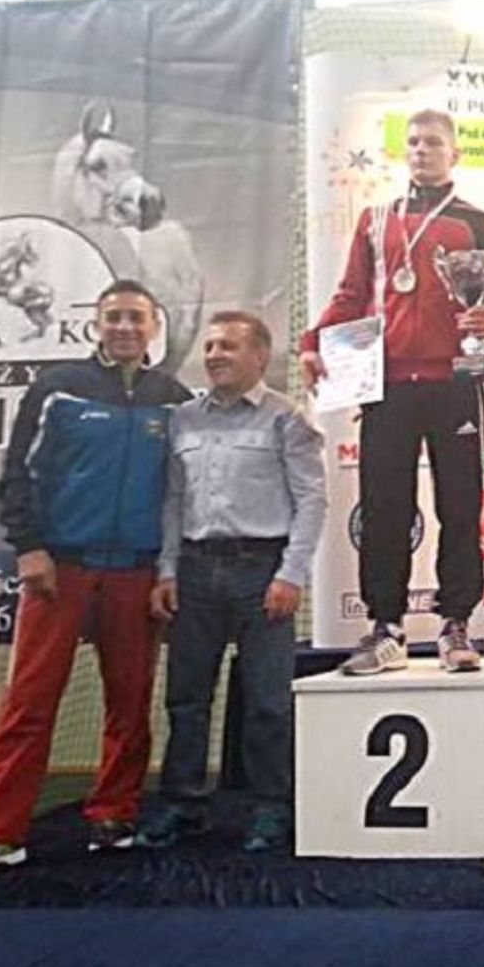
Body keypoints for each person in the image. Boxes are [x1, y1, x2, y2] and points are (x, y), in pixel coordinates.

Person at [301, 108, 484, 676]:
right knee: (384, 508)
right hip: (388, 384)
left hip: (455, 381)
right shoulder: (376, 220)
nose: (422, 150)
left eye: (433, 143)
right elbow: (351, 295)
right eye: (415, 142)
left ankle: (457, 625)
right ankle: (386, 627)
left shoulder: (479, 223)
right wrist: (312, 342)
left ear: (455, 154)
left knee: (460, 506)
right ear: (405, 153)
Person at [0, 280, 190, 875]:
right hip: (61, 568)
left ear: (154, 327)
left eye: (136, 318)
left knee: (130, 701)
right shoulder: (58, 389)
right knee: (30, 702)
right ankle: (0, 828)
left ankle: (114, 812)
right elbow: (18, 474)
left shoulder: (173, 399)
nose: (124, 327)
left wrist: (168, 568)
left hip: (136, 571)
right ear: (96, 325)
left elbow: (183, 492)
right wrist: (29, 548)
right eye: (113, 317)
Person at [140, 312, 327, 853]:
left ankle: (270, 808)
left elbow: (312, 500)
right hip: (195, 571)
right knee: (186, 699)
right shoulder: (182, 419)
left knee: (267, 702)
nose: (215, 355)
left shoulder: (286, 418)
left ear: (260, 357)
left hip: (262, 571)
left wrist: (291, 574)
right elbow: (173, 500)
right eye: (210, 346)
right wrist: (167, 570)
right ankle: (183, 804)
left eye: (228, 346)